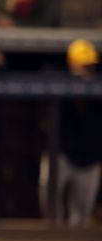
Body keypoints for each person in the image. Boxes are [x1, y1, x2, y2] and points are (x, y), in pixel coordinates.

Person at [39, 40, 101, 227]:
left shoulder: (97, 88)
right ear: (71, 65)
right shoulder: (60, 83)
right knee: (48, 193)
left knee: (82, 214)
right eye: (83, 67)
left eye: (90, 67)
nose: (87, 72)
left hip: (90, 156)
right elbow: (44, 72)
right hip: (61, 152)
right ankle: (52, 239)